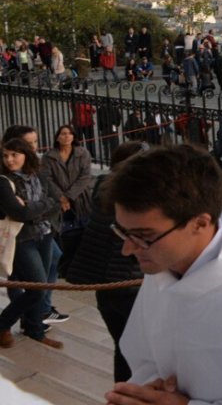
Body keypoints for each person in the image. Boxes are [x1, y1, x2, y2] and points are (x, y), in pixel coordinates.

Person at [103, 144, 222, 404]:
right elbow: (142, 358)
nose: (127, 249)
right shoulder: (162, 268)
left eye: (144, 236)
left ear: (200, 223)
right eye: (123, 232)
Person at [64, 141, 148, 380]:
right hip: (126, 282)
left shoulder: (102, 184)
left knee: (122, 346)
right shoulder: (134, 197)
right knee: (137, 351)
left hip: (103, 282)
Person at [0, 137, 63, 350]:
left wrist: (33, 208)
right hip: (22, 240)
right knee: (36, 288)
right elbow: (18, 212)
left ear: (26, 155)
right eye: (6, 155)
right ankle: (2, 324)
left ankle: (34, 329)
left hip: (44, 234)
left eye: (14, 155)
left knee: (41, 286)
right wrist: (40, 207)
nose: (9, 160)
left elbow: (56, 203)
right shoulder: (3, 182)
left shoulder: (39, 176)